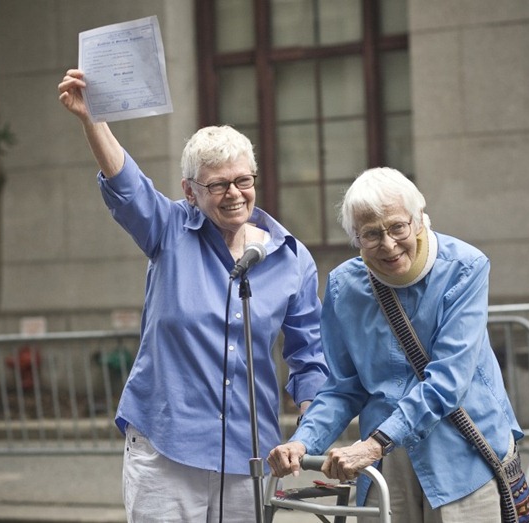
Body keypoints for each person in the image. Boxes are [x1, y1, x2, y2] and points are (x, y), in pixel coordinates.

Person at [58, 69, 328, 522]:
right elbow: (127, 185)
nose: (234, 194)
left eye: (243, 180)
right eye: (217, 185)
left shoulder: (289, 257)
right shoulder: (167, 231)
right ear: (189, 191)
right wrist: (92, 119)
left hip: (249, 452)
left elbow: (309, 359)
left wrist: (312, 433)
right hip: (167, 445)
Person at [267, 167, 529, 522]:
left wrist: (374, 444)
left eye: (397, 227)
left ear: (419, 219)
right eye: (372, 234)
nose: (388, 244)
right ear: (355, 238)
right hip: (386, 462)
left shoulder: (464, 267)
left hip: (462, 453)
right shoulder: (345, 286)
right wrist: (302, 442)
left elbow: (448, 380)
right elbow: (343, 387)